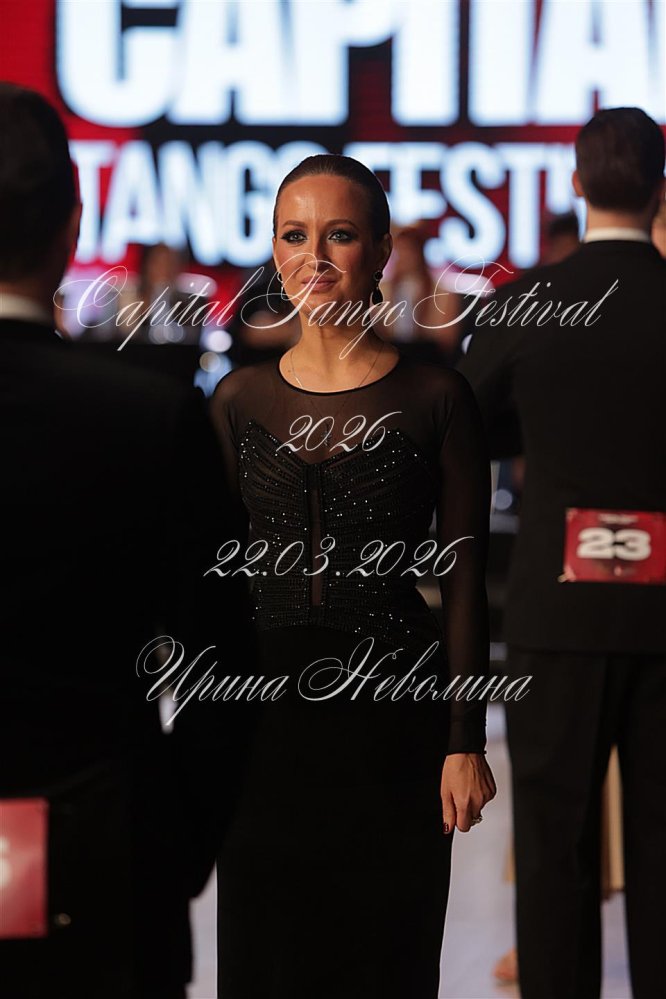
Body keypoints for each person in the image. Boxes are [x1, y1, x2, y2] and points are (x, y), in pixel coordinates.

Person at [209, 153, 496, 999]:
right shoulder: (236, 400)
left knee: (386, 962)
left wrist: (465, 739)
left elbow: (466, 577)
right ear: (274, 251)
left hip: (394, 724)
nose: (315, 258)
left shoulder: (438, 397)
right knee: (265, 961)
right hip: (260, 729)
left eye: (338, 235)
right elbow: (208, 587)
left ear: (379, 250)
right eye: (294, 236)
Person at [0, 83, 251, 998]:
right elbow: (226, 667)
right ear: (73, 228)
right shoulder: (152, 417)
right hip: (113, 866)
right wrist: (172, 846)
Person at [459, 107, 666, 999]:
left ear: (575, 185)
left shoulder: (530, 301)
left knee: (554, 848)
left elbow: (464, 422)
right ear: (660, 189)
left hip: (559, 610)